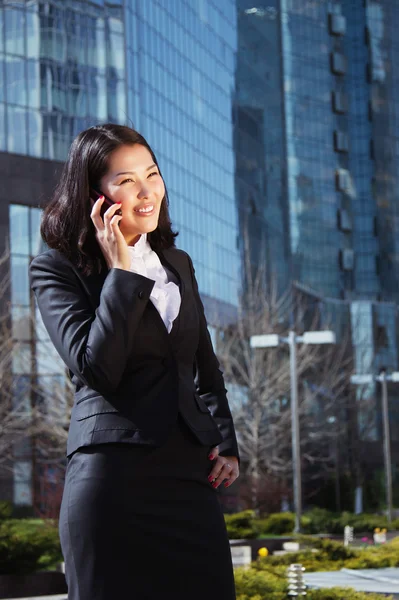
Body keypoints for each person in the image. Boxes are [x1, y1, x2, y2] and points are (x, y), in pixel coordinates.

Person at [29, 124, 240, 600]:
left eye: (151, 174)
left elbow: (203, 363)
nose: (147, 192)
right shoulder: (56, 269)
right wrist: (121, 272)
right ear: (95, 195)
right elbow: (96, 368)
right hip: (112, 479)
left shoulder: (178, 263)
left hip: (189, 476)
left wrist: (225, 441)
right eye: (126, 181)